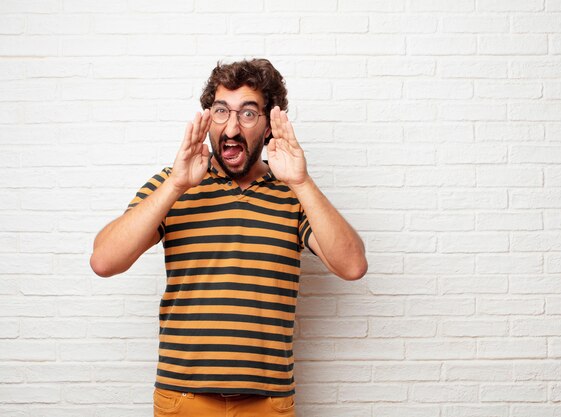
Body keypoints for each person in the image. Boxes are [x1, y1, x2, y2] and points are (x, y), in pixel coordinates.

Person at [89, 58, 368, 417]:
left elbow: (352, 265)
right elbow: (104, 261)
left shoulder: (293, 194)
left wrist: (301, 182)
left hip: (267, 402)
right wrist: (175, 184)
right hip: (183, 398)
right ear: (208, 118)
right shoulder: (174, 184)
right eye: (221, 111)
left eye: (248, 113)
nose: (232, 127)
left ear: (269, 125)